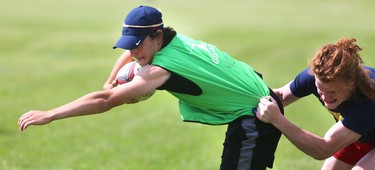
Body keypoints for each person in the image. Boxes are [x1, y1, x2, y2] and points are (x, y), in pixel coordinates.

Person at [18, 5, 284, 170]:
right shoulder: (175, 40)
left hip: (255, 117)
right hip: (259, 97)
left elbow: (105, 101)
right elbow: (129, 60)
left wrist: (51, 114)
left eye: (138, 43)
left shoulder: (160, 70)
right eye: (129, 44)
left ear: (156, 36)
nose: (133, 51)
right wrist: (111, 80)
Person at [255, 38, 375, 170]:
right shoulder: (315, 77)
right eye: (320, 89)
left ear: (351, 83)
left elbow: (324, 149)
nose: (324, 96)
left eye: (332, 91)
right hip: (362, 134)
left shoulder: (368, 102)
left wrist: (277, 119)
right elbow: (280, 96)